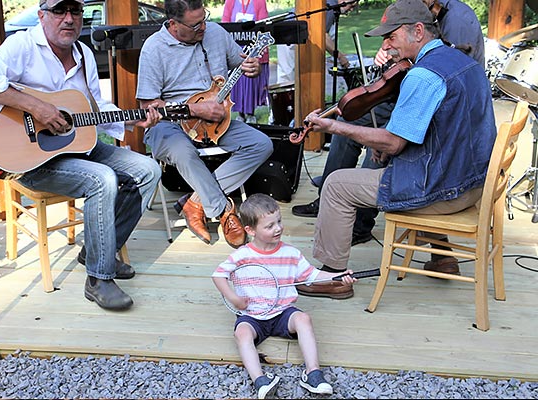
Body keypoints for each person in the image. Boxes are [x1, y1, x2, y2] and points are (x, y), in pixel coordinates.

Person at [0, 0, 162, 311]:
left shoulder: (83, 53)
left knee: (147, 169)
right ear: (42, 14)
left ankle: (99, 249)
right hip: (31, 158)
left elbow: (92, 109)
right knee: (103, 180)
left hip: (78, 147)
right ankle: (99, 278)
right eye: (60, 11)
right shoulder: (23, 46)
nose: (69, 19)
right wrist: (36, 107)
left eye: (75, 12)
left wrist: (131, 118)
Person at [300, 0, 496, 300]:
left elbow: (393, 141)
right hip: (474, 183)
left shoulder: (422, 75)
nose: (387, 45)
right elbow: (441, 131)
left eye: (391, 36)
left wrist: (333, 128)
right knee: (395, 162)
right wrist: (391, 150)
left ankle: (333, 277)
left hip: (445, 190)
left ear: (418, 31)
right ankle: (442, 255)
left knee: (337, 185)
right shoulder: (464, 60)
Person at [136, 0, 274, 249]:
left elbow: (240, 62)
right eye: (195, 24)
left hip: (216, 121)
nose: (203, 27)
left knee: (261, 144)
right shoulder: (154, 48)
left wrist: (251, 67)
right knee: (183, 152)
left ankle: (196, 201)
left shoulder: (215, 32)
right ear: (173, 24)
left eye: (204, 19)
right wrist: (193, 109)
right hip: (170, 123)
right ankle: (223, 211)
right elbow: (149, 106)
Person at [212, 193, 357, 399]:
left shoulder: (290, 253)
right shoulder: (242, 255)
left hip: (282, 313)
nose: (278, 228)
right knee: (242, 334)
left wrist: (337, 277)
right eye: (269, 226)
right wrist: (233, 297)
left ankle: (313, 374)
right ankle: (260, 381)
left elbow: (312, 276)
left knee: (303, 319)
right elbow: (218, 275)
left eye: (279, 221)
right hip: (253, 316)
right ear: (250, 230)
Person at [222, 0, 270, 124]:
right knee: (238, 83)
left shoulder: (259, 2)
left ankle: (251, 113)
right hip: (235, 50)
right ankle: (240, 114)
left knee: (251, 82)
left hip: (253, 50)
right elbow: (224, 25)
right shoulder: (230, 2)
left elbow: (264, 25)